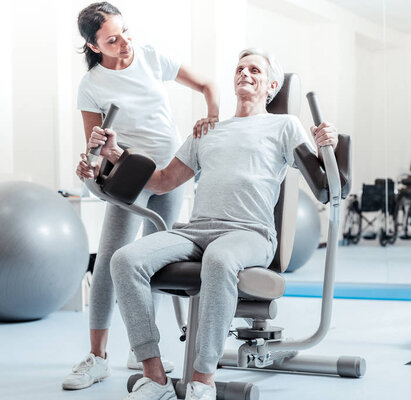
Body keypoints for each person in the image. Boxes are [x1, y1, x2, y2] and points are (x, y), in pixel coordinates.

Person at [77, 48, 338, 400]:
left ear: (272, 85)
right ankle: (154, 375)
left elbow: (323, 185)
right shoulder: (207, 130)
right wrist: (116, 154)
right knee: (125, 260)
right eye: (240, 68)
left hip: (250, 233)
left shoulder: (284, 125)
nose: (245, 73)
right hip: (197, 231)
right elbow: (163, 181)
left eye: (255, 71)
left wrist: (328, 147)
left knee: (219, 259)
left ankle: (203, 379)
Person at [63, 2, 219, 391]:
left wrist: (211, 115)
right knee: (112, 259)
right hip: (131, 176)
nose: (124, 43)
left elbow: (207, 85)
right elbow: (95, 152)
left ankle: (140, 347)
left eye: (126, 32)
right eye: (112, 40)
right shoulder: (92, 85)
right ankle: (98, 357)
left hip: (172, 171)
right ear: (94, 46)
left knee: (155, 262)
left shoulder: (150, 56)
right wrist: (90, 163)